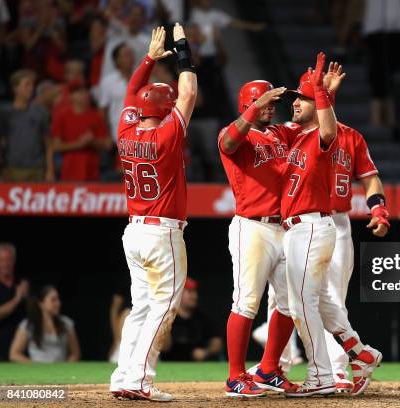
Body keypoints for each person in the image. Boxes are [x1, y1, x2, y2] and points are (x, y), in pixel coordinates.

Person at [279, 54, 383, 396]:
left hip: (330, 221)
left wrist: (378, 208)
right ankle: (356, 354)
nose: (295, 102)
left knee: (320, 299)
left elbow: (369, 177)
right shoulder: (294, 135)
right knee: (317, 299)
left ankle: (331, 371)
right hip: (301, 224)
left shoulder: (345, 137)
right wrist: (321, 93)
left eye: (303, 97)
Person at [109, 23, 197, 402]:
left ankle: (123, 375)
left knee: (142, 307)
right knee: (163, 307)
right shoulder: (165, 136)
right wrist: (182, 49)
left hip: (134, 232)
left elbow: (132, 92)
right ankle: (139, 379)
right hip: (162, 233)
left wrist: (148, 58)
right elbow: (190, 90)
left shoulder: (126, 131)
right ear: (163, 109)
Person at [217, 78, 299, 396]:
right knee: (247, 301)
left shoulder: (279, 133)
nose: (271, 108)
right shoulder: (235, 131)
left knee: (289, 303)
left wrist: (322, 93)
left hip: (285, 227)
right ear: (249, 104)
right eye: (265, 102)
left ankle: (267, 369)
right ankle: (235, 376)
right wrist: (256, 105)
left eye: (272, 103)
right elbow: (227, 145)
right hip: (253, 226)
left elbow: (307, 127)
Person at [49, 80, 112, 182]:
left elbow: (107, 144)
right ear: (71, 96)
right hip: (69, 172)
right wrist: (79, 144)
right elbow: (56, 146)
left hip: (92, 172)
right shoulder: (61, 117)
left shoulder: (95, 116)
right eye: (80, 93)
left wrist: (92, 142)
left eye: (86, 92)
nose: (85, 95)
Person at [0, 69, 52, 182]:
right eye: (26, 85)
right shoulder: (5, 113)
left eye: (32, 85)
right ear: (15, 88)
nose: (31, 88)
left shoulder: (41, 112)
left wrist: (50, 170)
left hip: (37, 169)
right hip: (12, 169)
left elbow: (48, 143)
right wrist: (2, 168)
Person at [361, 0, 400, 126]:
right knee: (376, 74)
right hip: (374, 31)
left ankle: (391, 118)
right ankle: (376, 118)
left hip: (396, 32)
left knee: (393, 76)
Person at [9, 285, 80, 363]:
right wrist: (34, 365)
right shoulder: (28, 325)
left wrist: (66, 368)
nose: (58, 303)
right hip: (37, 371)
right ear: (41, 303)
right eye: (53, 300)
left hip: (60, 371)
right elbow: (14, 354)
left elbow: (75, 353)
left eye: (58, 299)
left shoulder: (66, 323)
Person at [162, 278, 223, 361]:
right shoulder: (167, 318)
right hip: (170, 364)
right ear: (178, 294)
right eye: (190, 292)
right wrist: (165, 325)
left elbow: (217, 342)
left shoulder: (202, 318)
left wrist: (206, 352)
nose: (195, 296)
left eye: (195, 292)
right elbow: (164, 348)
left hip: (199, 366)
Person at [95, 42, 135, 144]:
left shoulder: (142, 78)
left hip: (140, 138)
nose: (130, 58)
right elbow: (102, 111)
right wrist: (106, 135)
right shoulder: (108, 82)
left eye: (131, 54)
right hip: (116, 137)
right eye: (126, 55)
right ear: (117, 60)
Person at [0, 243, 28, 361]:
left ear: (14, 261)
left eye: (9, 259)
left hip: (22, 346)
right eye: (2, 260)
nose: (6, 263)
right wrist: (17, 299)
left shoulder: (22, 283)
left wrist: (27, 298)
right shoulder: (19, 291)